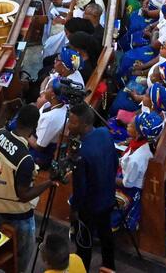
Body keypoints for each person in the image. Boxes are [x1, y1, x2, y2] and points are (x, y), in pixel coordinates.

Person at [0, 103, 54, 271]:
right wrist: (49, 182)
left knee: (3, 242)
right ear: (35, 126)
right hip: (16, 213)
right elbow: (23, 195)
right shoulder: (25, 159)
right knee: (23, 252)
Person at [65, 102, 118, 271]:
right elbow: (115, 163)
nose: (68, 125)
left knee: (84, 242)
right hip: (108, 197)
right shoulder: (104, 133)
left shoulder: (82, 153)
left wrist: (74, 210)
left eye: (72, 122)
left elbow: (80, 188)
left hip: (90, 206)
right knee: (106, 235)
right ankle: (109, 267)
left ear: (84, 124)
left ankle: (83, 268)